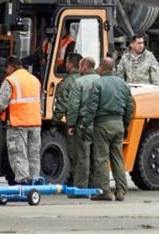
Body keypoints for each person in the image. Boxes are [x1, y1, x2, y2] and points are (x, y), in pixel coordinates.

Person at [80, 57, 133, 201]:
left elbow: (92, 108)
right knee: (117, 158)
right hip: (118, 124)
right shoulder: (123, 84)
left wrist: (85, 125)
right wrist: (125, 124)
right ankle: (121, 190)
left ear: (102, 68)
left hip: (102, 125)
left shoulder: (98, 84)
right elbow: (130, 107)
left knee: (101, 158)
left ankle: (105, 191)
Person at [0, 56, 42, 185]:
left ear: (10, 67)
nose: (6, 72)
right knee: (33, 155)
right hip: (35, 123)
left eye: (6, 69)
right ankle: (34, 182)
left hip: (18, 123)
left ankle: (22, 183)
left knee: (18, 153)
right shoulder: (34, 80)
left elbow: (0, 104)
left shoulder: (11, 80)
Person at [66, 57, 100, 195]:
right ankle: (95, 186)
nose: (79, 69)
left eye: (80, 66)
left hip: (82, 122)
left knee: (82, 155)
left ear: (85, 67)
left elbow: (73, 105)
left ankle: (81, 188)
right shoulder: (102, 81)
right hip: (99, 122)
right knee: (97, 155)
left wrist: (71, 124)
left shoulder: (78, 82)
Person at [52, 53, 83, 184]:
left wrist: (54, 122)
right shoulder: (88, 80)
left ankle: (75, 182)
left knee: (73, 152)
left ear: (70, 64)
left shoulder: (68, 82)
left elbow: (62, 104)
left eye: (67, 62)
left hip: (74, 123)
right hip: (89, 122)